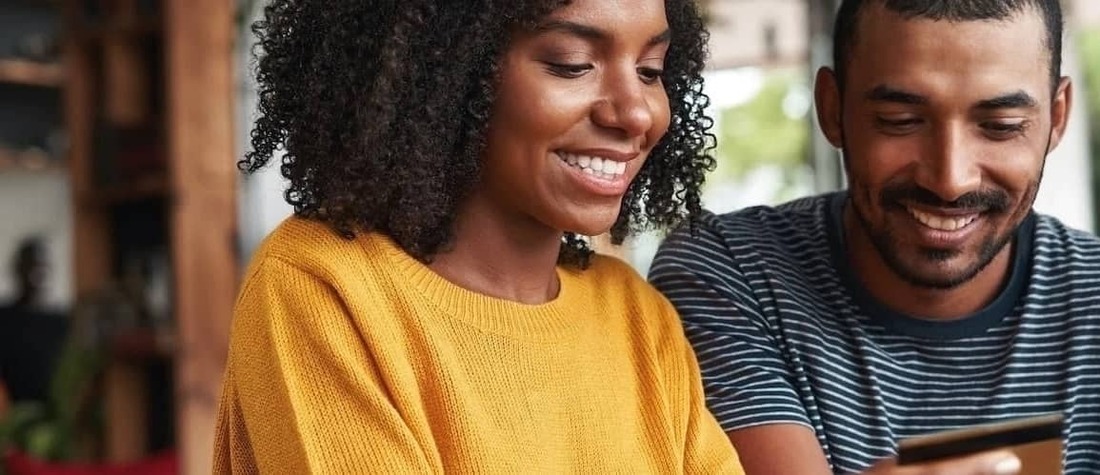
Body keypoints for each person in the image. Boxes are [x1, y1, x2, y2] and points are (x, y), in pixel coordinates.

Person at [213, 0, 744, 472]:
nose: (635, 112)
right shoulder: (324, 287)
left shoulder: (636, 317)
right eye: (571, 65)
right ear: (443, 70)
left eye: (650, 71)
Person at [650, 0, 1099, 474]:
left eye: (1000, 127)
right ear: (832, 109)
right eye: (899, 121)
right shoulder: (732, 272)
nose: (950, 179)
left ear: (1057, 117)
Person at [0, 237, 68, 407]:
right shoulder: (4, 318)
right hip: (11, 416)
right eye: (30, 265)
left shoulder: (61, 322)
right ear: (17, 268)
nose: (37, 272)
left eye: (42, 265)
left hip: (53, 415)